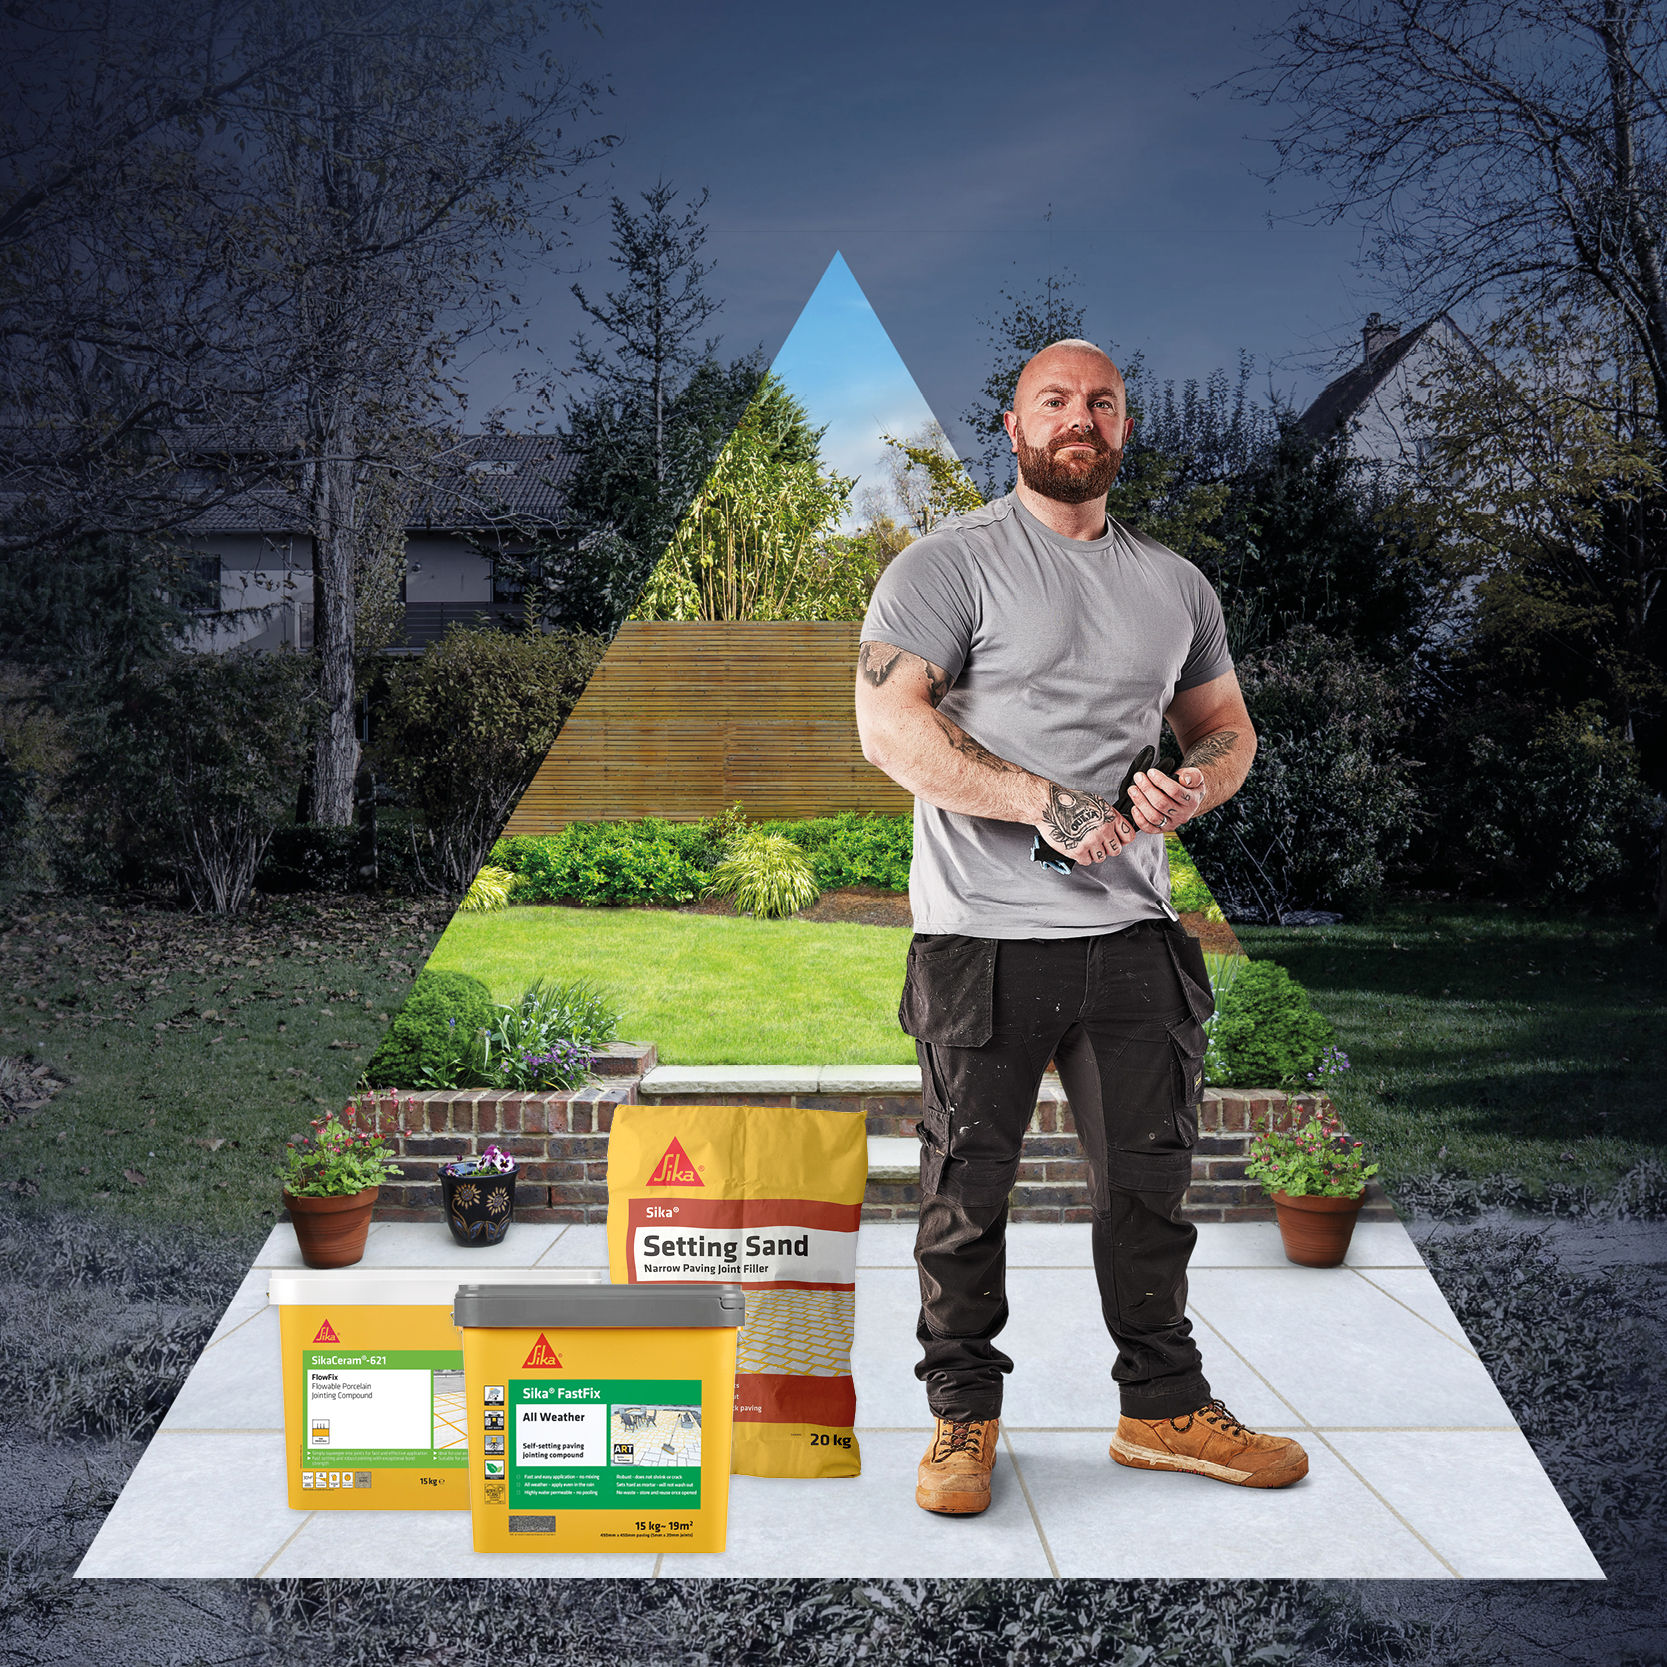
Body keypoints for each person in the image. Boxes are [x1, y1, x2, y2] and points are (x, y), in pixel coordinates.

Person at [854, 338, 1308, 1516]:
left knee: (1148, 1189)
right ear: (1010, 428)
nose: (1078, 418)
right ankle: (960, 1418)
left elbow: (1226, 729)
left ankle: (1161, 1410)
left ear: (1122, 428)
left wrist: (1190, 786)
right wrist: (1042, 803)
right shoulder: (943, 565)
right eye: (1053, 400)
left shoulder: (1176, 586)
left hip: (1132, 937)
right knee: (965, 1191)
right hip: (980, 937)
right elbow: (889, 730)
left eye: (1099, 402)